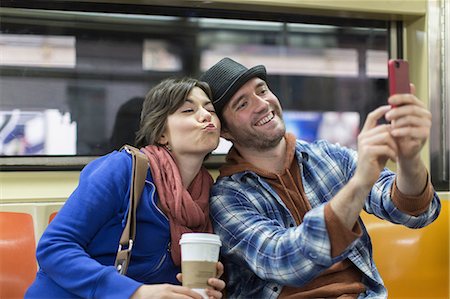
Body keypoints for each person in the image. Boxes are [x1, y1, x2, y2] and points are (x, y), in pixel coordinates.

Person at [200, 57, 441, 298]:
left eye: (262, 90)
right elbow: (284, 260)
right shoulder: (227, 198)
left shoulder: (330, 156)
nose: (262, 104)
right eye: (242, 104)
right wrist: (360, 182)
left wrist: (409, 159)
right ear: (226, 131)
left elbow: (415, 213)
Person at [25, 78, 225, 299]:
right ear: (161, 134)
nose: (206, 116)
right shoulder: (123, 169)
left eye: (210, 109)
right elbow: (53, 248)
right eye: (188, 109)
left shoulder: (208, 193)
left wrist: (201, 284)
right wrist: (135, 292)